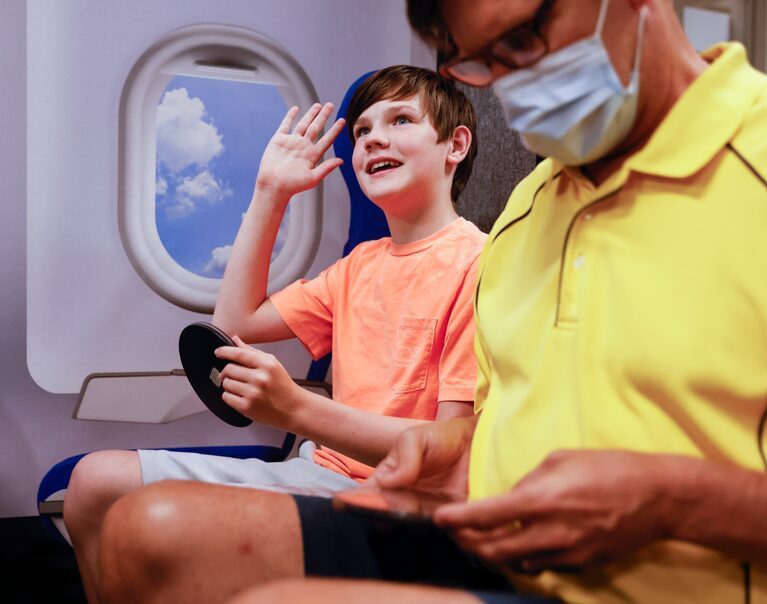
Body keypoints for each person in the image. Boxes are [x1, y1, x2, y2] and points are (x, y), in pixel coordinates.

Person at [97, 0, 767, 602]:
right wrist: (436, 449)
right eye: (483, 61)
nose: (515, 81)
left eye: (523, 35)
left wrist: (672, 499)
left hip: (664, 581)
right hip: (493, 540)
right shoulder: (528, 209)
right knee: (148, 531)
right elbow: (482, 422)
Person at [63, 64, 486, 604]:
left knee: (160, 525)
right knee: (94, 485)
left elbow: (450, 458)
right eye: (361, 132)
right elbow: (234, 326)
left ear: (455, 145)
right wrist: (270, 191)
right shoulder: (357, 265)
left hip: (398, 494)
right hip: (315, 467)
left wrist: (295, 411)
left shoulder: (480, 266)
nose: (375, 136)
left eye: (401, 120)